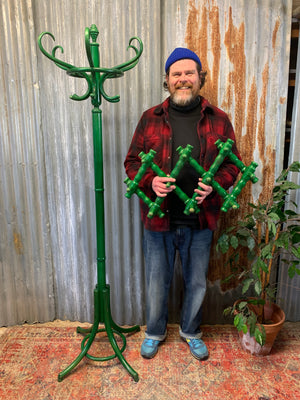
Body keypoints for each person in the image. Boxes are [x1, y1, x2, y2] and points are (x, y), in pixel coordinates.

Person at [124, 47, 241, 361]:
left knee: (196, 283)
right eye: (176, 74)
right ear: (167, 80)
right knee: (156, 283)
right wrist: (151, 182)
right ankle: (154, 333)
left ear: (200, 78)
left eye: (189, 73)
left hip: (201, 220)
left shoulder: (219, 119)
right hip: (158, 219)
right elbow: (132, 162)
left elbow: (233, 165)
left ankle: (191, 332)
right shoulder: (150, 118)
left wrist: (216, 187)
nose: (183, 79)